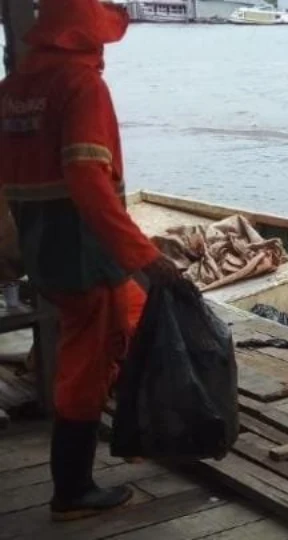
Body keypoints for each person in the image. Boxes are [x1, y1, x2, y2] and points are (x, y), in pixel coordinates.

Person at [0, 0, 181, 520]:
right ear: (84, 35)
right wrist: (144, 257)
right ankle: (72, 490)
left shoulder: (13, 91)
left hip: (43, 252)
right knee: (85, 368)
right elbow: (88, 180)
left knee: (99, 347)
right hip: (86, 252)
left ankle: (109, 454)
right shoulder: (81, 86)